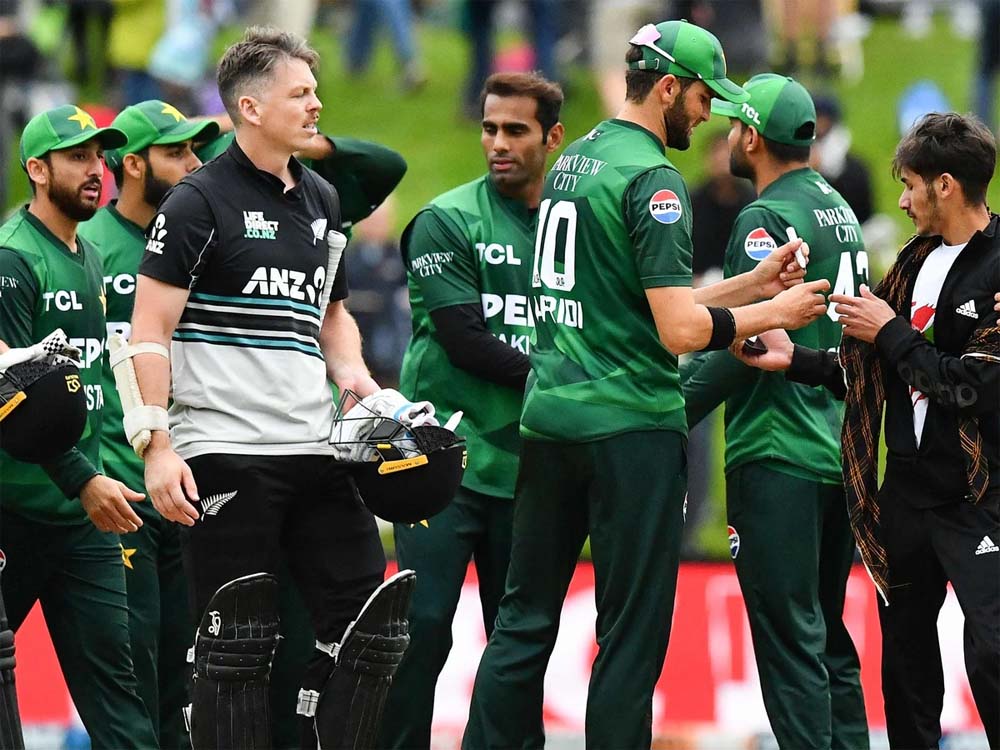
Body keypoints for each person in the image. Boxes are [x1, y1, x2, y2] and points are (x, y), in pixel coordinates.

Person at [462, 21, 831, 749]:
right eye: (702, 97)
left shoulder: (577, 157)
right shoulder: (656, 180)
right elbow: (678, 331)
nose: (709, 114)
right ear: (667, 88)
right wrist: (775, 312)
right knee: (630, 638)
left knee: (521, 622)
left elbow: (626, 299)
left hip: (551, 418)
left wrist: (750, 283)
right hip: (628, 428)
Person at [127, 27, 398, 747]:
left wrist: (359, 381)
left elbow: (331, 315)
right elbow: (147, 330)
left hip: (314, 447)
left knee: (369, 628)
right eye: (300, 93)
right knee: (235, 650)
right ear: (250, 108)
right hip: (224, 450)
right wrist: (156, 444)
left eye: (315, 91)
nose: (316, 105)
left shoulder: (323, 198)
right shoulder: (196, 201)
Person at [735, 112, 999, 749]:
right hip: (904, 495)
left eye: (909, 186)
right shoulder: (911, 263)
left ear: (944, 185)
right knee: (905, 671)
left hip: (979, 498)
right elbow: (875, 371)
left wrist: (889, 330)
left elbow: (973, 385)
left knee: (992, 653)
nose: (902, 202)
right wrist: (796, 360)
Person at [681, 74, 869, 749]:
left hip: (776, 450)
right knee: (830, 642)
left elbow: (750, 342)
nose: (728, 134)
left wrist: (668, 408)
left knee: (791, 649)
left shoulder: (761, 218)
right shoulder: (839, 209)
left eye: (735, 124)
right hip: (838, 452)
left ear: (753, 138)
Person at [379, 71, 564, 748]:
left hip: (531, 465)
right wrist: (573, 381)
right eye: (489, 129)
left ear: (553, 137)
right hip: (438, 462)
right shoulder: (446, 221)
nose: (498, 144)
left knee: (518, 641)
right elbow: (464, 341)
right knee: (422, 626)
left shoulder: (575, 232)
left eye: (516, 130)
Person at [0, 104, 159, 748]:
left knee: (121, 700)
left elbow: (91, 378)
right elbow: (9, 394)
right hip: (14, 509)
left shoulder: (88, 254)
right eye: (77, 158)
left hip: (81, 520)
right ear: (38, 170)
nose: (96, 170)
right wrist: (83, 479)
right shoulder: (13, 258)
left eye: (98, 156)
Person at [77, 98, 219, 749]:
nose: (194, 165)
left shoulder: (197, 242)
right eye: (176, 152)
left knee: (185, 681)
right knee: (133, 674)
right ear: (133, 164)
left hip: (190, 487)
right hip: (120, 495)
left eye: (195, 151)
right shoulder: (89, 249)